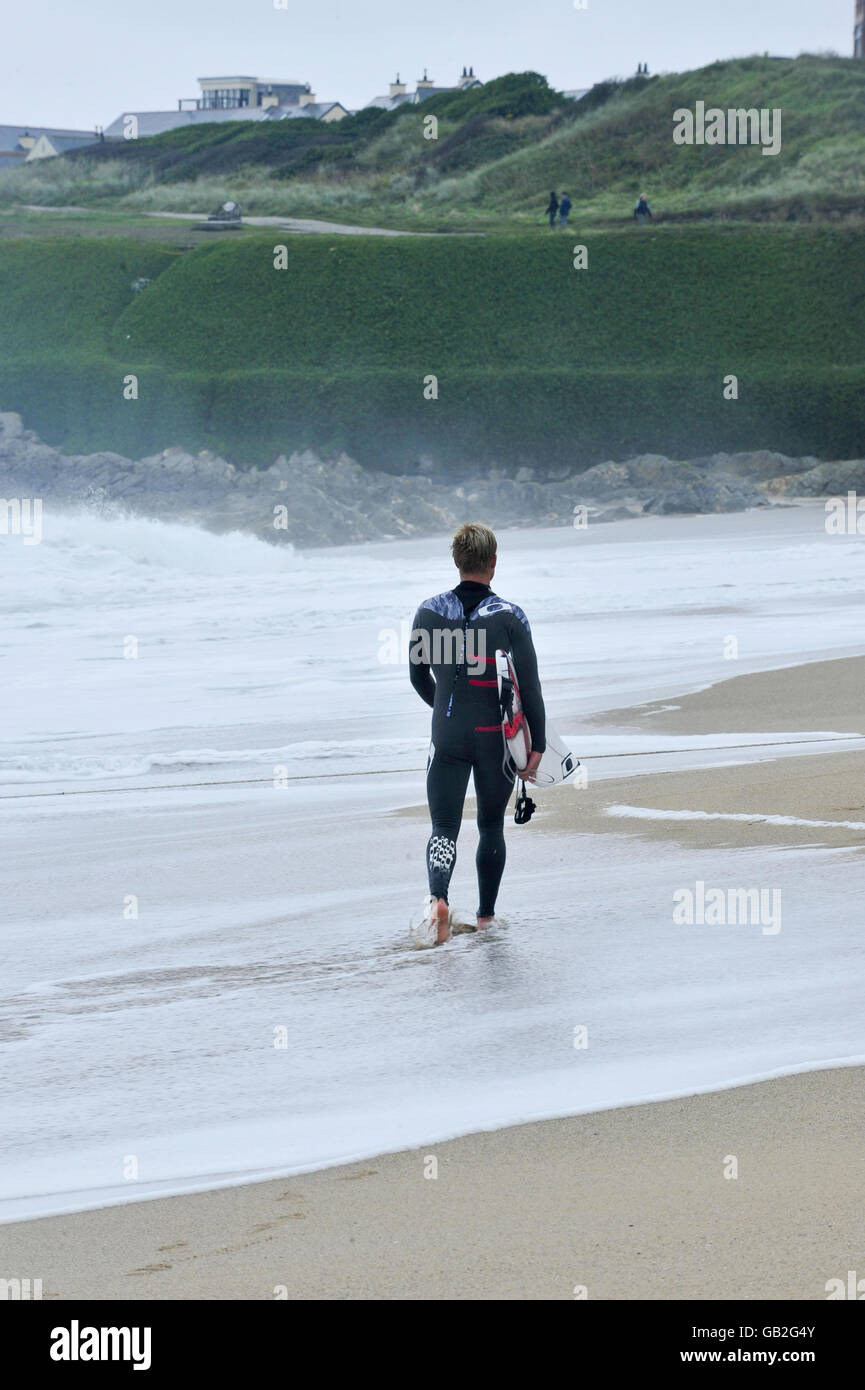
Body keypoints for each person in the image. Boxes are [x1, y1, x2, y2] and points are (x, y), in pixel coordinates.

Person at [409, 523, 546, 944]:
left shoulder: (429, 612)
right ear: (493, 562)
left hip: (447, 736)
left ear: (456, 561)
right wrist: (536, 745)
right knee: (490, 826)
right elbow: (530, 684)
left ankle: (438, 902)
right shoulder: (510, 616)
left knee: (443, 827)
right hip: (494, 739)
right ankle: (486, 918)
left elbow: (417, 676)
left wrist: (445, 713)